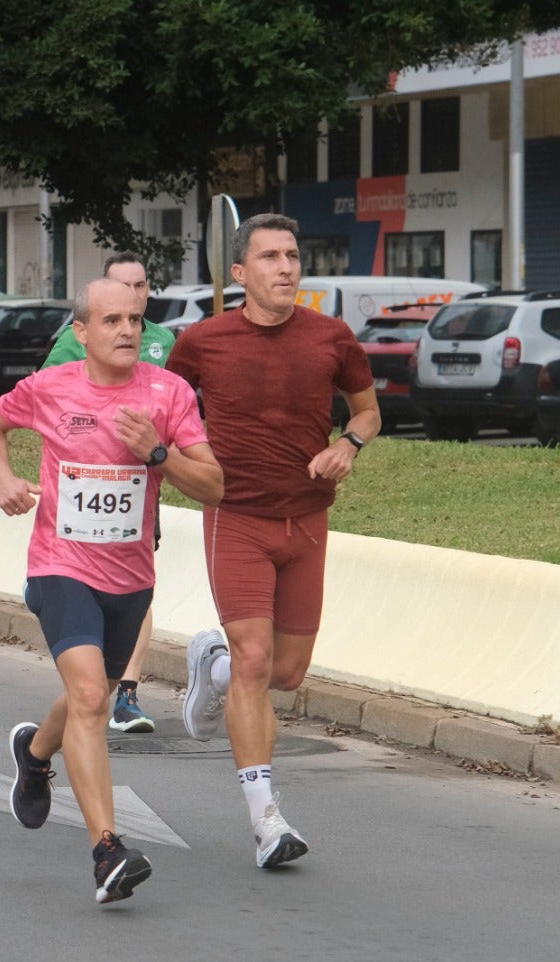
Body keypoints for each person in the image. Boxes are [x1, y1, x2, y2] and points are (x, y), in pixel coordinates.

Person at [0, 278, 221, 903]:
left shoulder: (169, 393)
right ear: (80, 332)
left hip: (131, 576)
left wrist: (157, 453)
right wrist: (3, 478)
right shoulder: (53, 387)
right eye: (112, 320)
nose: (128, 330)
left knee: (93, 697)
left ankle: (34, 753)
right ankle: (107, 850)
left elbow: (215, 486)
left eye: (136, 318)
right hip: (60, 564)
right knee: (89, 694)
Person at [166, 213, 379, 868]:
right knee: (256, 659)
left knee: (285, 673)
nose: (285, 268)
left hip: (307, 522)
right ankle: (267, 821)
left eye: (292, 256)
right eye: (270, 258)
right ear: (239, 273)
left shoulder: (333, 337)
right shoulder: (202, 342)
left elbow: (369, 410)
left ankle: (212, 667)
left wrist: (348, 444)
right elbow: (167, 414)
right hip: (236, 516)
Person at [41, 251, 180, 734]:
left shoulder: (162, 342)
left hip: (138, 490)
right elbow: (39, 402)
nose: (133, 302)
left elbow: (179, 404)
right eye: (122, 289)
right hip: (72, 519)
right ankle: (94, 697)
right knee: (86, 689)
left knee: (135, 582)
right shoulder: (68, 346)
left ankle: (128, 690)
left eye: (140, 289)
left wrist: (162, 453)